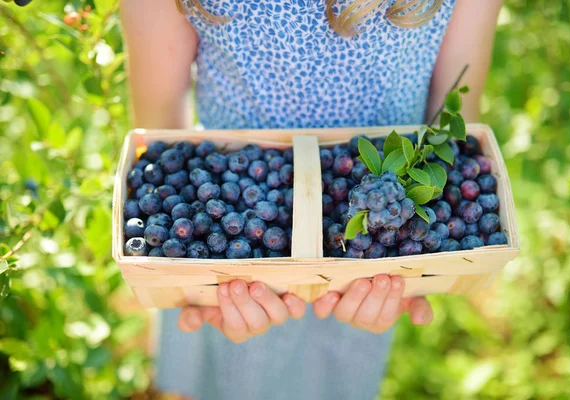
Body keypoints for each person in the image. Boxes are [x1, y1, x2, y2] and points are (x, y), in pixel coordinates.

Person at [120, 0, 502, 398]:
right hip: (230, 270)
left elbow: (452, 130)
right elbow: (164, 151)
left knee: (331, 377)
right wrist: (188, 285)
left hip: (368, 256)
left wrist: (422, 269)